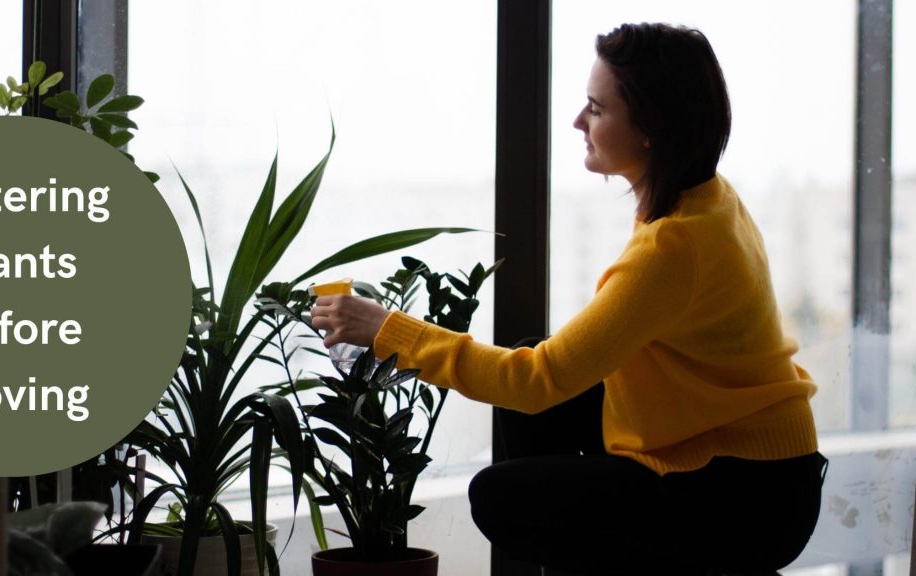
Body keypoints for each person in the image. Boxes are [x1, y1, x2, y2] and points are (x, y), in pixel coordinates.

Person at [310, 22, 826, 575]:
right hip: (758, 464)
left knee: (500, 496)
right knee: (539, 391)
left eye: (596, 110)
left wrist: (387, 329)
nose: (579, 122)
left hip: (745, 497)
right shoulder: (708, 198)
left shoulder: (675, 245)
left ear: (650, 127)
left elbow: (534, 382)